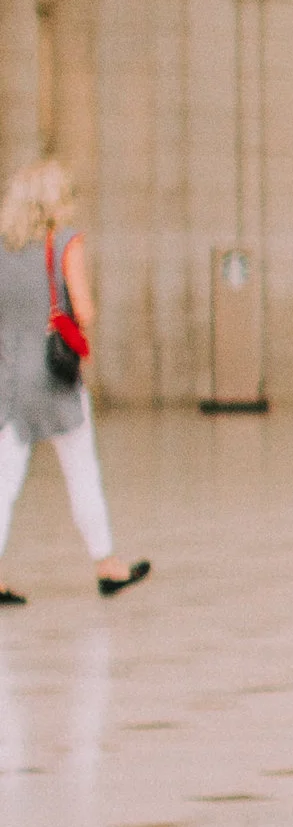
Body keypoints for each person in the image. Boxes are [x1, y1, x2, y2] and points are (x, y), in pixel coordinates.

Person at [0, 159, 147, 599]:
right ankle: (107, 563)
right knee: (81, 467)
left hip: (8, 372)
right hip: (52, 373)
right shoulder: (65, 242)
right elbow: (82, 310)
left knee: (4, 476)